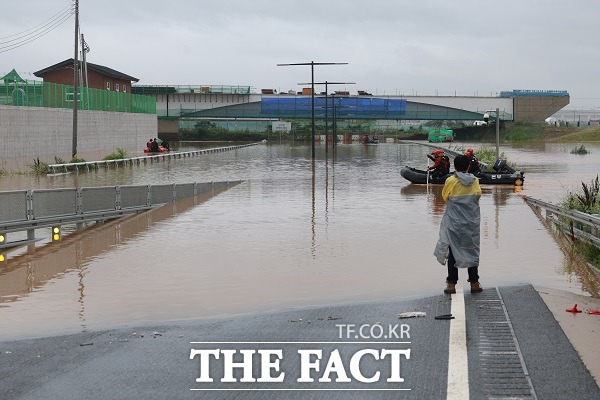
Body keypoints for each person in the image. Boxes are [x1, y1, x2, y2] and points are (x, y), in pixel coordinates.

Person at [434, 154, 483, 294]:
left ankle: (451, 285)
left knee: (453, 251)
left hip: (454, 222)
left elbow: (445, 197)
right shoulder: (475, 181)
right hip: (471, 223)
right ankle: (474, 283)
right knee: (472, 249)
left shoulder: (450, 181)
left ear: (454, 167)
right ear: (468, 166)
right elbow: (477, 197)